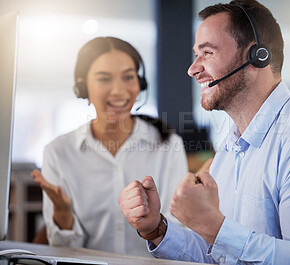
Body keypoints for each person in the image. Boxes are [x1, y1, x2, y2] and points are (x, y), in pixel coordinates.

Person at [118, 0, 290, 264]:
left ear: (257, 57)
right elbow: (221, 255)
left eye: (208, 53)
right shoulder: (232, 146)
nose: (193, 69)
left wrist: (213, 225)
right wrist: (157, 229)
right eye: (195, 55)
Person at [31, 37, 188, 257]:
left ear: (140, 83)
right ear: (83, 86)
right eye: (104, 79)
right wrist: (63, 216)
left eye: (128, 77)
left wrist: (155, 227)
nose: (118, 90)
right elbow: (63, 252)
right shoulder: (58, 153)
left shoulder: (168, 146)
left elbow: (180, 235)